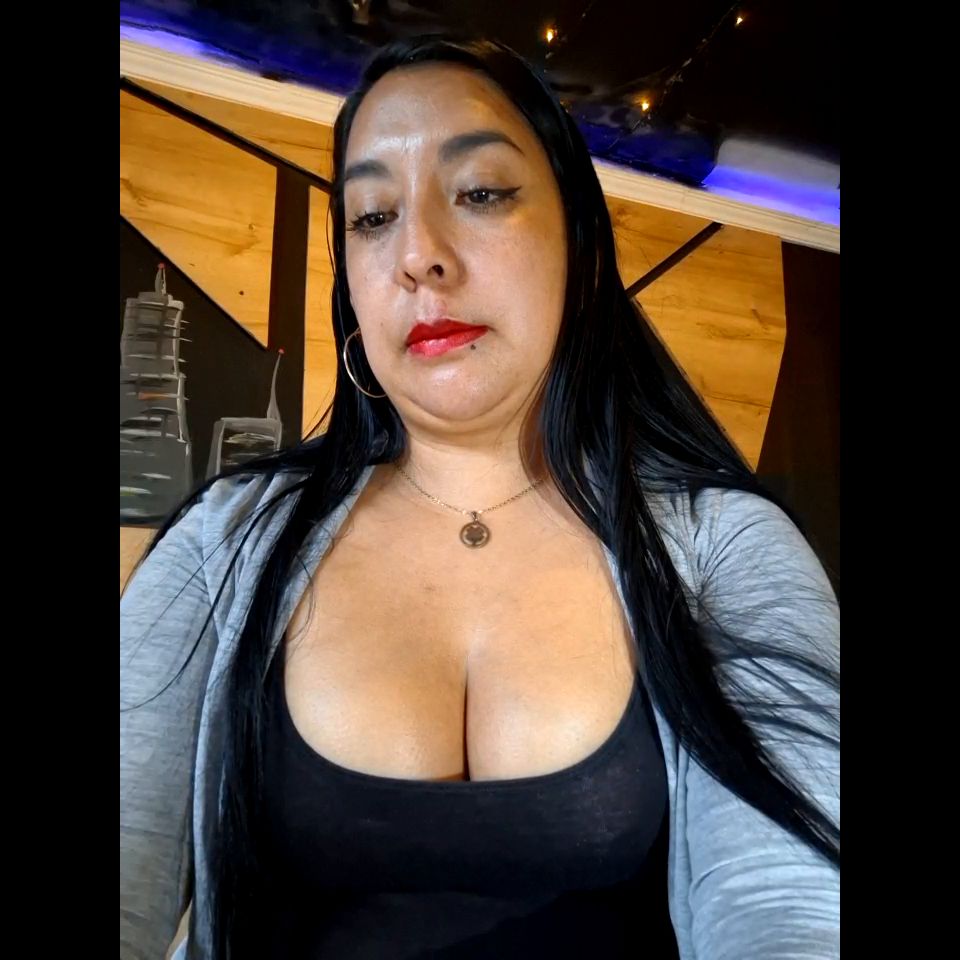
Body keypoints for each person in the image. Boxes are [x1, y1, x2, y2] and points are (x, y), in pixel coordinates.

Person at [120, 35, 839, 960]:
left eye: (483, 192)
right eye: (373, 216)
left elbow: (790, 902)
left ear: (580, 246)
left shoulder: (723, 547)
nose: (418, 253)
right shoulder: (224, 544)